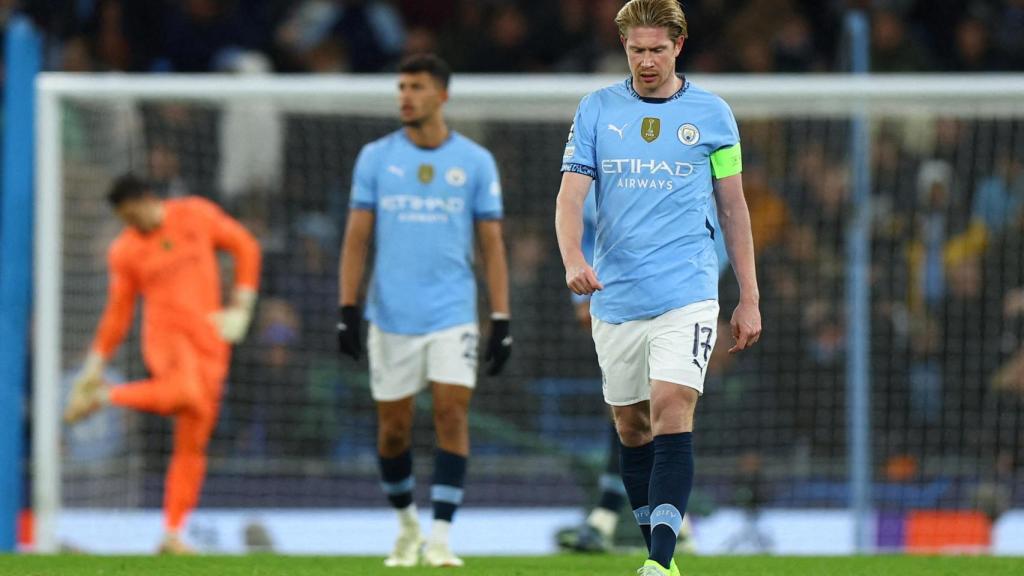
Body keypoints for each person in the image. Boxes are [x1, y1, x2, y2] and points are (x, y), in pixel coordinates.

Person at [554, 1, 762, 574]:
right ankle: (655, 546)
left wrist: (749, 295)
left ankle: (661, 562)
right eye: (636, 50)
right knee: (630, 424)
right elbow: (571, 196)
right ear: (625, 48)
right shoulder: (596, 110)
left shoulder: (714, 115)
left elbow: (734, 207)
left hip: (688, 291)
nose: (646, 61)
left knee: (672, 406)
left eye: (657, 49)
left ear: (679, 46)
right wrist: (573, 259)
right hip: (616, 296)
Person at [336, 53, 511, 568]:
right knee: (393, 427)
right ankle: (406, 525)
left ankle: (440, 537)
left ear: (442, 95)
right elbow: (355, 240)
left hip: (452, 311)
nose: (404, 96)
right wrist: (347, 308)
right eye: (401, 87)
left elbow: (493, 247)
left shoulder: (476, 162)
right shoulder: (375, 157)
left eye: (415, 87)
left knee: (451, 412)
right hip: (389, 314)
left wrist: (500, 318)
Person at [63, 174, 262, 554]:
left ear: (146, 199)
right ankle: (105, 396)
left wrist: (243, 306)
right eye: (123, 219)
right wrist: (95, 365)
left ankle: (172, 533)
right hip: (167, 340)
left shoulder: (194, 214)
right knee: (184, 394)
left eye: (130, 213)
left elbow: (246, 246)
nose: (130, 224)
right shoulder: (125, 251)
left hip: (211, 340)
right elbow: (118, 314)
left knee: (194, 440)